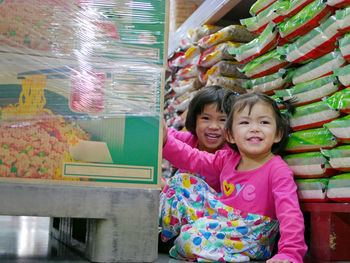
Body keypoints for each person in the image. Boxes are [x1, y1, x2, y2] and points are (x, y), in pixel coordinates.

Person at [159, 92, 307, 263]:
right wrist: (165, 141)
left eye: (264, 122)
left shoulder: (277, 170)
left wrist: (289, 253)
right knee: (182, 181)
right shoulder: (228, 158)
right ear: (230, 135)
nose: (255, 128)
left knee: (189, 239)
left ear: (278, 134)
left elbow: (290, 214)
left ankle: (222, 249)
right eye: (245, 122)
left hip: (252, 234)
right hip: (224, 218)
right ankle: (165, 235)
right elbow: (194, 159)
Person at [162, 85, 234, 193]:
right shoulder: (191, 140)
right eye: (206, 118)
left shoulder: (231, 153)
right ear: (194, 120)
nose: (213, 126)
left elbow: (193, 158)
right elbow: (170, 134)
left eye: (222, 120)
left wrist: (167, 187)